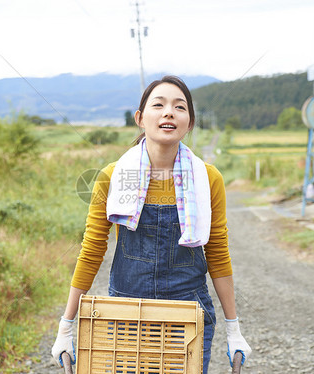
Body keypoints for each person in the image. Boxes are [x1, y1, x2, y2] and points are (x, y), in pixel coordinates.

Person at [51, 75, 251, 373]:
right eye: (158, 105)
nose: (169, 112)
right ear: (140, 118)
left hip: (188, 313)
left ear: (189, 122)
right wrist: (66, 326)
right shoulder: (113, 177)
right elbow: (92, 250)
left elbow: (218, 254)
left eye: (179, 107)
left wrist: (234, 328)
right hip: (125, 312)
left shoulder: (208, 179)